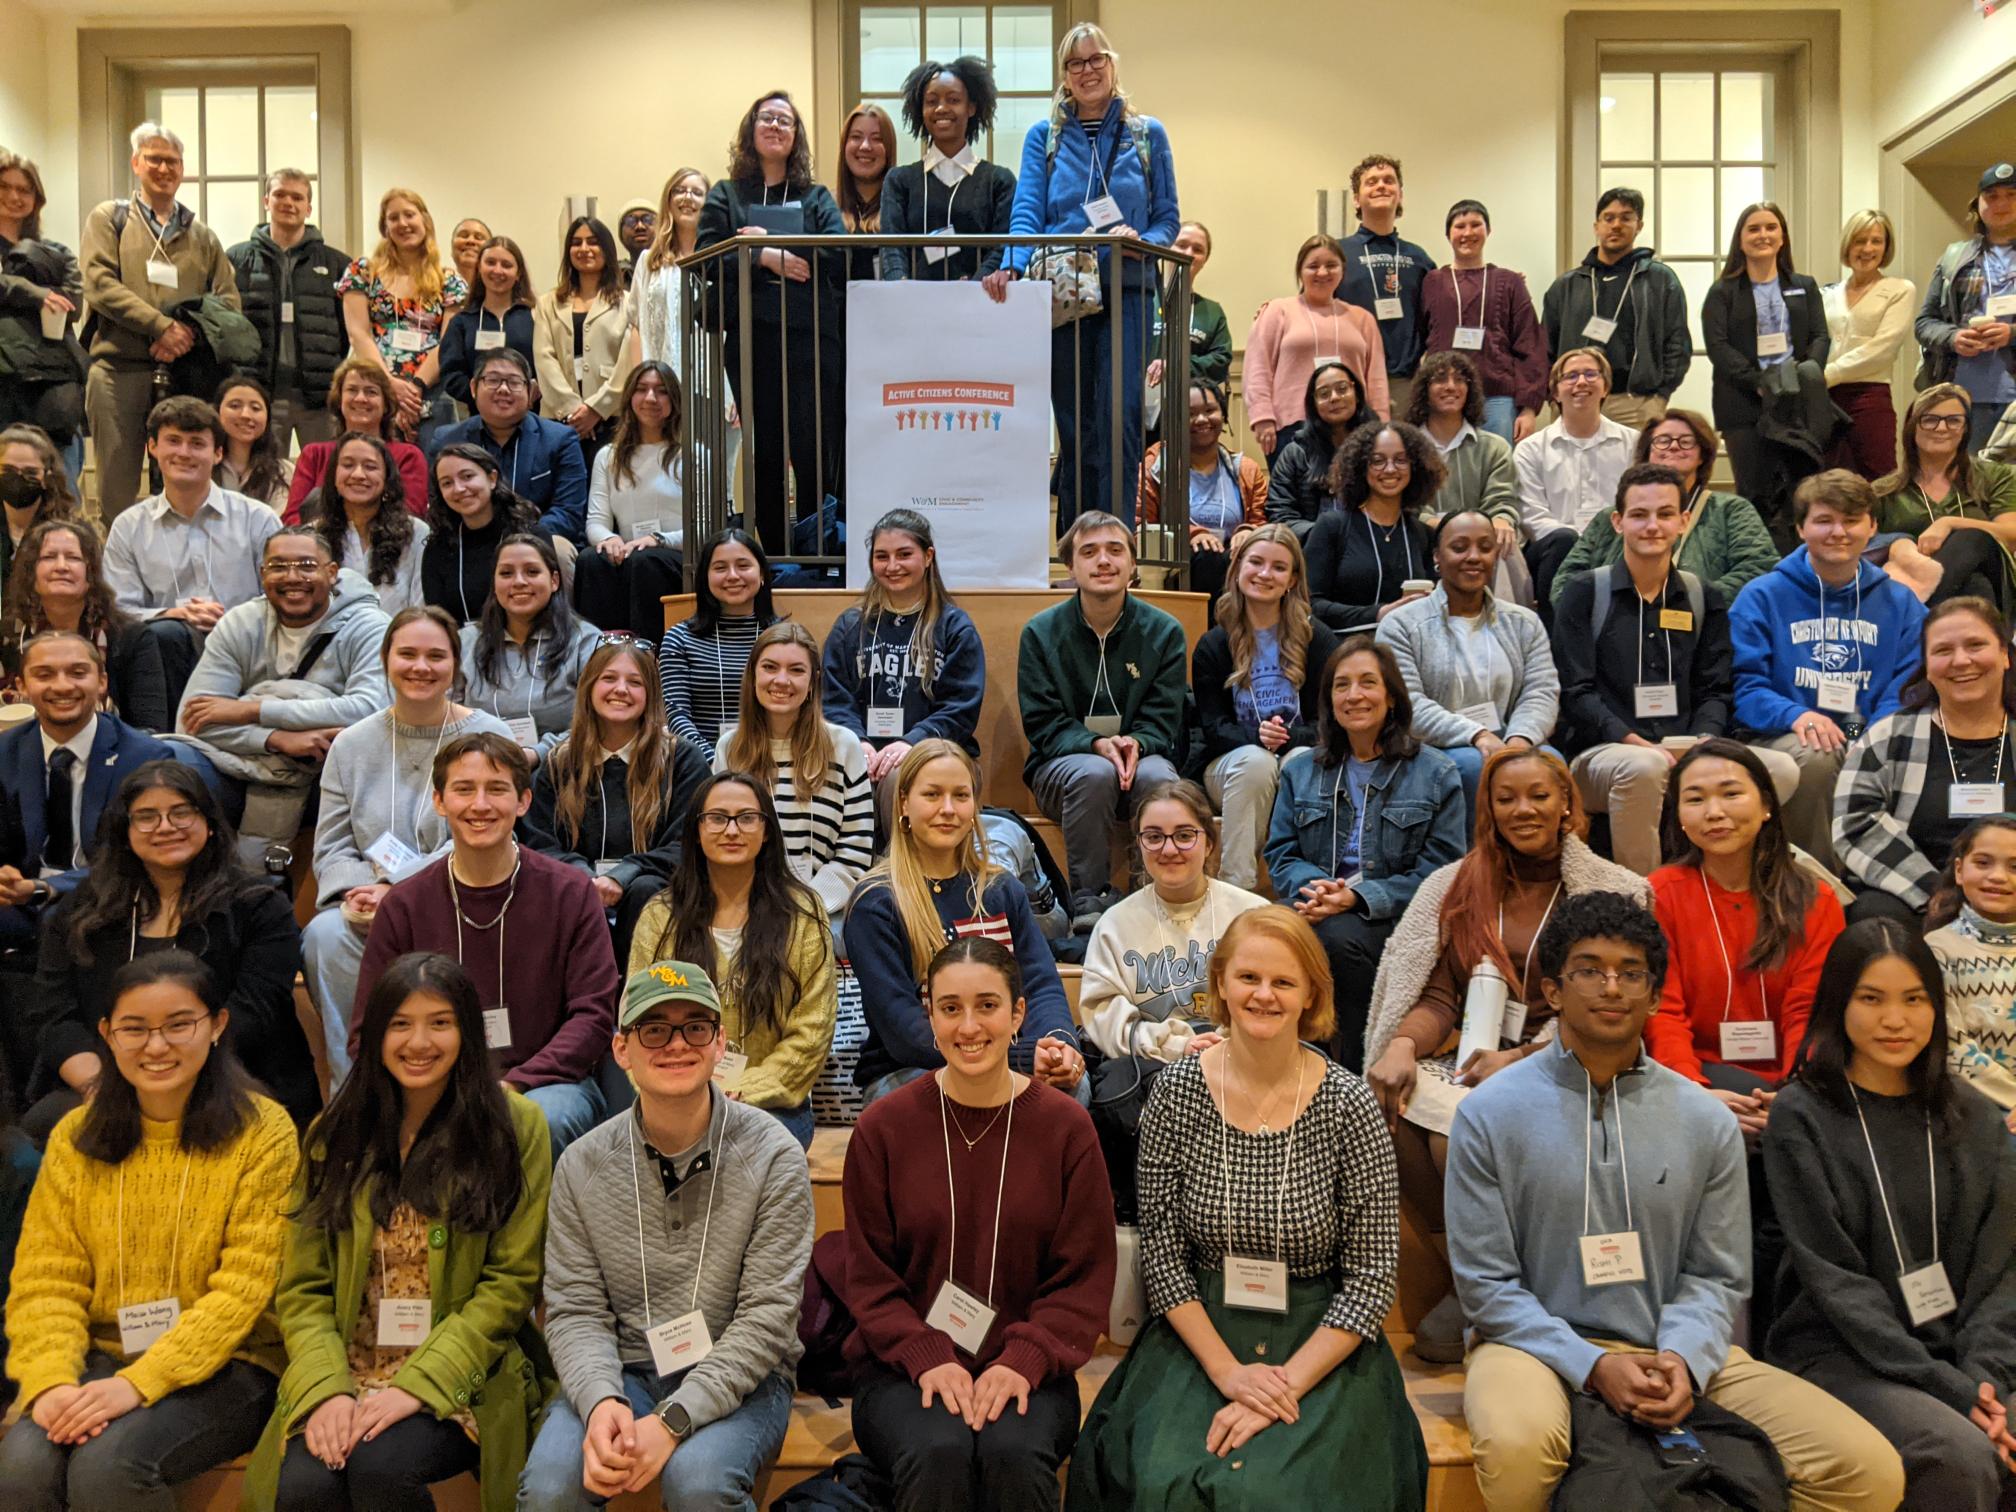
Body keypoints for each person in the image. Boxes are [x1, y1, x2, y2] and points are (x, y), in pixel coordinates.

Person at [1445, 891, 1907, 1512]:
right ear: (1553, 992)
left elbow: (1716, 1277)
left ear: (1655, 996)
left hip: (1673, 1347)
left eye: (1631, 973)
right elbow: (1487, 1288)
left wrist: (1682, 1362)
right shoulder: (1488, 1114)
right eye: (1590, 969)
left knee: (1866, 1469)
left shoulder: (1703, 1119)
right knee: (1521, 1447)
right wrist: (1591, 1364)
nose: (1612, 987)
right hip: (1530, 1346)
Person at [1071, 906, 1428, 1510]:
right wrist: (1229, 1375)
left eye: (1283, 982)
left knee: (1289, 1492)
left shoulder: (1349, 1104)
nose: (1263, 995)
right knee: (1162, 1482)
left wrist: (1285, 1384)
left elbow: (1371, 1277)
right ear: (1220, 984)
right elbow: (1161, 1255)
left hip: (1321, 1333)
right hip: (1201, 1327)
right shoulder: (1175, 1094)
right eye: (1248, 978)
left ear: (1311, 993)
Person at [1361, 748, 1644, 1359]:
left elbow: (1609, 1007)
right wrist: (1404, 1044)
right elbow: (1436, 991)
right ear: (1487, 807)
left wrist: (1518, 1063)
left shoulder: (1609, 890)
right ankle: (1477, 1278)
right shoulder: (1457, 884)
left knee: (1460, 1131)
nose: (1523, 809)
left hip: (1564, 1060)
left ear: (1567, 800)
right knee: (1389, 1107)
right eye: (1505, 797)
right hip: (1471, 1053)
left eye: (1539, 795)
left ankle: (1486, 1288)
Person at [246, 953, 552, 1512]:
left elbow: (511, 1284)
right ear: (375, 1033)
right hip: (349, 1365)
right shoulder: (333, 1133)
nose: (419, 1042)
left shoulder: (514, 1125)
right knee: (303, 1488)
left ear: (467, 1031)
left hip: (460, 1369)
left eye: (440, 1022)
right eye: (400, 1024)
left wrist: (420, 1383)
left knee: (381, 1465)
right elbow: (302, 1289)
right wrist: (326, 1388)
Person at [0, 951, 300, 1510]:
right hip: (100, 1354)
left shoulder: (265, 1133)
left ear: (217, 1026)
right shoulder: (75, 1135)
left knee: (108, 1467)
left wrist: (139, 1384)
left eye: (178, 1025)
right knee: (20, 1467)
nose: (156, 1046)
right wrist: (50, 1381)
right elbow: (46, 1280)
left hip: (232, 1363)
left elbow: (244, 1290)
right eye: (135, 1029)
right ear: (107, 1036)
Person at [517, 960, 812, 1512]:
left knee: (698, 1483)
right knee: (552, 1488)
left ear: (719, 1043)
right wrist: (601, 1400)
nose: (676, 1045)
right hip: (625, 1370)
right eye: (654, 1029)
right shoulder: (582, 1164)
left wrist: (674, 1420)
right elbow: (575, 1311)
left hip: (744, 1376)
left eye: (695, 1027)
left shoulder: (774, 1155)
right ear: (621, 1049)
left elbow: (768, 1318)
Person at [846, 936, 1116, 1512]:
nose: (969, 1027)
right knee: (939, 1448)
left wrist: (1026, 1360)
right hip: (901, 1367)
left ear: (1018, 1014)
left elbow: (1083, 1280)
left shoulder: (1067, 1129)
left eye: (987, 1005)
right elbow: (870, 1281)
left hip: (1032, 1365)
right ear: (931, 1016)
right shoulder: (883, 1128)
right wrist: (927, 1357)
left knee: (1011, 1451)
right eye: (950, 1008)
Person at [1767, 919, 2016, 1511]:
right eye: (1871, 999)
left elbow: (2003, 1271)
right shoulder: (1802, 1117)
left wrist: (1984, 1376)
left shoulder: (1978, 1118)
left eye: (1914, 999)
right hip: (1843, 1352)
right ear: (1838, 1005)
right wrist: (1955, 1390)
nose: (1895, 1020)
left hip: (1964, 1349)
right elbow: (1835, 1283)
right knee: (1958, 1452)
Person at [355, 731, 619, 1157]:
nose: (480, 805)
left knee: (540, 1118)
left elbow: (592, 1016)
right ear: (440, 802)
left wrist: (513, 1083)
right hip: (432, 1080)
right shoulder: (404, 904)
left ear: (523, 802)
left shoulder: (572, 893)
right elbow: (368, 1027)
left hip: (546, 1084)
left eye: (497, 789)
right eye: (464, 790)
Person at [26, 759, 317, 1137]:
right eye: (146, 816)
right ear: (125, 830)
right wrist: (102, 1084)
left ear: (209, 823)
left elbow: (255, 1013)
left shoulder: (259, 906)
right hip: (104, 1079)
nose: (165, 827)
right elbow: (52, 1012)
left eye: (182, 812)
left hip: (228, 1077)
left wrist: (161, 1074)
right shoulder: (82, 909)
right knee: (49, 1123)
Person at [303, 606, 510, 1083]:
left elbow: (485, 837)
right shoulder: (350, 745)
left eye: (436, 656)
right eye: (408, 654)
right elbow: (331, 845)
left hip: (461, 895)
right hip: (367, 907)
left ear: (455, 665)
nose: (421, 667)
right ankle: (351, 1087)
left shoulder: (488, 736)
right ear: (385, 659)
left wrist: (397, 888)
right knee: (323, 935)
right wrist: (360, 892)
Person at [992, 22, 1180, 528]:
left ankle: (1116, 540)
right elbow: (1028, 211)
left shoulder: (1147, 134)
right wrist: (1011, 265)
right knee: (1074, 427)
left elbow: (1167, 219)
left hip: (1130, 288)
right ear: (1065, 75)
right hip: (1065, 294)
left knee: (1119, 419)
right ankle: (1077, 544)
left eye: (1097, 59)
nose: (1088, 70)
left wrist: (1146, 242)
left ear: (1113, 65)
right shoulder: (1044, 136)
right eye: (1076, 63)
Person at [1553, 465, 1785, 874]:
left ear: (1684, 521)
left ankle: (1731, 878)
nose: (1652, 525)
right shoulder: (1585, 592)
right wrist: (1636, 742)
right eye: (1639, 515)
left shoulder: (1702, 596)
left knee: (1781, 769)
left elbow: (1716, 689)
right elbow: (1577, 693)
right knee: (1646, 767)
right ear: (1617, 521)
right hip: (1603, 753)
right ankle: (1642, 896)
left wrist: (1703, 742)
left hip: (1688, 746)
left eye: (1665, 514)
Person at [844, 740, 1086, 1105]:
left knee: (1071, 1088)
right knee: (958, 1099)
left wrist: (1057, 1046)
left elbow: (1040, 984)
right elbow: (904, 1030)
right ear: (904, 804)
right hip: (913, 1069)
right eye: (932, 795)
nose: (948, 809)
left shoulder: (1002, 888)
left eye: (961, 795)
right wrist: (1013, 1059)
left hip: (1007, 1058)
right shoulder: (876, 902)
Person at [1266, 636, 1467, 1069]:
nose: (1354, 695)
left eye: (1367, 683)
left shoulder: (1436, 773)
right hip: (1315, 905)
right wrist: (1319, 890)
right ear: (1329, 700)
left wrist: (1358, 898)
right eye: (1341, 685)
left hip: (1397, 917)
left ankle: (1351, 1072)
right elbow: (1280, 854)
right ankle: (1290, 1068)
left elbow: (1442, 873)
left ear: (1391, 697)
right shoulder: (1300, 770)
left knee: (1333, 940)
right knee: (1262, 934)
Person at [1732, 468, 1928, 873]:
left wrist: (1876, 731)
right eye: (1824, 520)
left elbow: (1910, 682)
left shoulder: (1900, 602)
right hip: (1785, 731)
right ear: (1801, 528)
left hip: (1865, 726)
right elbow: (1746, 686)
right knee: (1819, 754)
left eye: (1851, 520)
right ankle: (1819, 885)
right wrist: (1796, 714)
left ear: (1872, 527)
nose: (1838, 532)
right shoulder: (1761, 596)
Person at [630, 772, 836, 1147]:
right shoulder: (660, 917)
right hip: (676, 1098)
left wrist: (748, 1088)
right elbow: (638, 1019)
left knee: (742, 1152)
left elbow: (813, 1028)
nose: (731, 830)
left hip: (772, 1106)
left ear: (767, 829)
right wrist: (690, 1088)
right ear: (696, 830)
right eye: (717, 818)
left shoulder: (804, 913)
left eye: (746, 817)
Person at [1647, 737, 1844, 1115]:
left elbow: (1809, 1011)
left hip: (1792, 1083)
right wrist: (1694, 1093)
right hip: (1695, 1078)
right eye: (1695, 799)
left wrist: (1795, 1096)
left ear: (1767, 804)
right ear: (1679, 817)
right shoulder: (1661, 894)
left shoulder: (1816, 898)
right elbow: (1663, 1011)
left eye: (1731, 793)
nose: (1714, 812)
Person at [172, 527, 391, 858]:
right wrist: (276, 739)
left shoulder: (369, 626)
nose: (292, 577)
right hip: (241, 765)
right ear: (262, 574)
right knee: (171, 763)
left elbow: (369, 710)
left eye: (306, 565)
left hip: (330, 769)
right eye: (278, 566)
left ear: (331, 573)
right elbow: (193, 720)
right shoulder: (241, 623)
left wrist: (252, 710)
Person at [695, 90, 846, 549]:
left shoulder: (815, 196)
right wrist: (763, 257)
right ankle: (777, 552)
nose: (776, 127)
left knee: (811, 445)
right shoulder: (726, 194)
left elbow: (837, 255)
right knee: (765, 451)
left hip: (809, 340)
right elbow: (706, 258)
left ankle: (817, 547)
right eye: (767, 118)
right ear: (751, 129)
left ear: (796, 135)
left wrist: (777, 244)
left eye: (786, 121)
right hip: (750, 337)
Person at [1019, 511, 1187, 925]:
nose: (1104, 561)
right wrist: (1095, 744)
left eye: (1115, 550)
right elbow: (1043, 724)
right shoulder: (1039, 633)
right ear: (1072, 567)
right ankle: (1087, 903)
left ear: (1132, 565)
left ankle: (1158, 895)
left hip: (1141, 758)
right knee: (1094, 773)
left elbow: (1163, 720)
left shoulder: (1165, 632)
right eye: (1089, 552)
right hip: (1065, 770)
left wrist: (1136, 744)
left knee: (1161, 780)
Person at [79, 122, 240, 522]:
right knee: (116, 492)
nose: (164, 168)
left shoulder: (202, 236)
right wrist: (159, 326)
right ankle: (117, 581)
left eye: (172, 161)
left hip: (185, 376)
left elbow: (228, 302)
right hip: (119, 373)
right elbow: (99, 285)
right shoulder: (109, 219)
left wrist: (186, 334)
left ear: (182, 169)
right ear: (136, 163)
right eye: (154, 159)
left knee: (186, 486)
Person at [1835, 596, 2016, 930]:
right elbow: (1854, 823)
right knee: (1874, 920)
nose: (1961, 661)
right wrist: (1937, 894)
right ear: (1927, 666)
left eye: (1976, 645)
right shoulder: (1888, 737)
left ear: (2005, 654)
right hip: (1914, 893)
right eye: (1943, 651)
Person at [0, 631, 181, 952]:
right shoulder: (5, 752)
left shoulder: (145, 757)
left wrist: (45, 888)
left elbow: (140, 861)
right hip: (20, 900)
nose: (62, 685)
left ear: (102, 682)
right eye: (44, 675)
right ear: (22, 686)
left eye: (77, 672)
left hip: (110, 898)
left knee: (71, 925)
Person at [524, 638, 710, 949]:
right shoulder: (558, 762)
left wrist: (623, 875)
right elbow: (538, 842)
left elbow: (689, 841)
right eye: (608, 678)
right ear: (589, 688)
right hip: (578, 888)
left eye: (635, 682)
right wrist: (583, 876)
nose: (621, 689)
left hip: (654, 896)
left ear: (650, 693)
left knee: (647, 889)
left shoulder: (682, 760)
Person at [1375, 510, 1558, 818]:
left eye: (1485, 547)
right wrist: (1477, 735)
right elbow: (1408, 704)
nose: (1474, 556)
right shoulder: (1401, 625)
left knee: (1549, 763)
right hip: (1432, 749)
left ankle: (1540, 865)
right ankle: (1474, 866)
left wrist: (1518, 740)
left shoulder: (1525, 622)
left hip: (1510, 739)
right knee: (1474, 765)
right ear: (1437, 556)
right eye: (1459, 547)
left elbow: (1541, 691)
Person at [102, 396, 284, 705]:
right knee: (166, 635)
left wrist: (231, 621)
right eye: (173, 441)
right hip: (161, 658)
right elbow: (117, 610)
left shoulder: (258, 518)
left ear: (217, 454)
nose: (184, 453)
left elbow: (280, 596)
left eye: (197, 443)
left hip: (247, 649)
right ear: (152, 448)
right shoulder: (129, 526)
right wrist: (174, 615)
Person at [1079, 780, 1265, 1071]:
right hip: (1155, 1066)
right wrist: (1176, 1047)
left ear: (1209, 844)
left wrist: (1226, 1043)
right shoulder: (1113, 926)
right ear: (1139, 844)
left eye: (1184, 835)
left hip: (1247, 1059)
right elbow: (1104, 1015)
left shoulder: (1254, 915)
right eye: (1154, 837)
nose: (1168, 849)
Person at [1192, 526, 1338, 888]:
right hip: (1231, 763)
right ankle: (1235, 888)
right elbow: (1212, 728)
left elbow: (1331, 722)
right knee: (1256, 761)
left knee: (1301, 762)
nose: (1264, 574)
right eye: (1255, 562)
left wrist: (1285, 738)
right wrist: (1255, 736)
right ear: (1238, 568)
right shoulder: (1215, 643)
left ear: (1292, 579)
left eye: (1278, 567)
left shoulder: (1316, 637)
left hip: (1297, 752)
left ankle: (1307, 887)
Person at [821, 508, 986, 820]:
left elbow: (961, 709)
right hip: (863, 752)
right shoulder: (850, 626)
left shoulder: (954, 627)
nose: (892, 566)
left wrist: (912, 743)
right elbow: (834, 699)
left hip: (935, 753)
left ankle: (898, 870)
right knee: (845, 775)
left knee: (902, 780)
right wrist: (859, 743)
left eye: (904, 554)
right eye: (882, 556)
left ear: (927, 557)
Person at [1549, 407, 1780, 610]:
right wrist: (1611, 610)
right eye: (1663, 440)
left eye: (1686, 441)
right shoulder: (1610, 517)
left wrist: (1690, 601)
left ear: (1703, 454)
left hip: (1702, 630)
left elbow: (1759, 568)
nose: (1674, 447)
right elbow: (1565, 582)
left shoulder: (1731, 510)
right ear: (1647, 452)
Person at [716, 622, 873, 921]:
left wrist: (806, 907)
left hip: (823, 910)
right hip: (745, 907)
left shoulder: (844, 746)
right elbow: (720, 841)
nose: (782, 680)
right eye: (770, 667)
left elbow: (856, 849)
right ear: (753, 676)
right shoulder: (729, 749)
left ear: (813, 681)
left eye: (797, 670)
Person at [1702, 201, 1832, 547]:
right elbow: (1718, 347)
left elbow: (1820, 336)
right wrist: (1759, 383)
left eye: (1771, 227)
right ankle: (1757, 569)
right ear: (1740, 240)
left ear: (1782, 237)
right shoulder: (1723, 292)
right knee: (1755, 496)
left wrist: (1806, 376)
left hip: (1796, 405)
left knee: (1799, 493)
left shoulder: (1803, 285)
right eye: (1754, 229)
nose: (1763, 235)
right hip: (1744, 405)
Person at [1539, 188, 1691, 430]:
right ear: (1596, 226)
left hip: (1635, 403)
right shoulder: (1567, 285)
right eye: (1609, 218)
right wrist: (1554, 395)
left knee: (1638, 469)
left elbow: (1677, 341)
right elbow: (1544, 346)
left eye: (1626, 218)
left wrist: (1660, 394)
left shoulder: (1659, 279)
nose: (1616, 225)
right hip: (1575, 399)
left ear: (1639, 225)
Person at [1, 518, 170, 732]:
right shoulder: (8, 635)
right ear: (30, 573)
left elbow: (151, 730)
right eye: (49, 557)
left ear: (91, 574)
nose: (61, 567)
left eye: (73, 558)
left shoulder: (131, 637)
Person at [224, 168, 349, 451]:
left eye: (297, 197)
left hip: (319, 396)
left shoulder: (337, 263)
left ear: (309, 207)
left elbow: (348, 331)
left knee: (324, 479)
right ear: (266, 200)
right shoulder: (236, 258)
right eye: (280, 194)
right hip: (259, 394)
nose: (288, 203)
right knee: (261, 480)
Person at [336, 187, 467, 443]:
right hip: (374, 391)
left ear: (425, 221)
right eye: (393, 218)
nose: (403, 224)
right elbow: (358, 333)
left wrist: (415, 388)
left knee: (431, 471)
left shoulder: (449, 280)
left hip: (431, 392)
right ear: (384, 227)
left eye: (409, 215)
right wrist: (389, 384)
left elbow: (449, 341)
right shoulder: (363, 272)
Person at [1510, 348, 1637, 611]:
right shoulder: (1530, 449)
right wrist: (1581, 543)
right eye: (1571, 376)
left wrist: (1605, 542)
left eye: (1591, 374)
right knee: (1562, 540)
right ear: (1555, 392)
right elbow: (1530, 515)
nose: (1581, 382)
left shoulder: (1633, 444)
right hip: (1553, 552)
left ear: (1605, 388)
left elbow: (1637, 505)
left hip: (1617, 545)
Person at [1244, 234, 1392, 460]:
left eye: (1331, 265)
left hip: (1353, 428)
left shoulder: (1362, 318)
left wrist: (1380, 425)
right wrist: (1262, 417)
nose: (1322, 273)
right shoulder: (1278, 311)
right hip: (1292, 426)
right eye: (1313, 266)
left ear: (1342, 270)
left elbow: (1376, 378)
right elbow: (1257, 368)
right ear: (1300, 271)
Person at [1875, 382, 2016, 612]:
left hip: (1997, 580)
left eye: (1953, 420)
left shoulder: (1995, 475)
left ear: (1965, 429)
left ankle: (1917, 617)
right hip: (1917, 585)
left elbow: (2011, 535)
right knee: (1974, 586)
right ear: (1912, 427)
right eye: (1930, 419)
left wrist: (1949, 523)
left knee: (1972, 537)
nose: (1942, 428)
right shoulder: (1883, 491)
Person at [430, 347, 589, 549]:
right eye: (493, 380)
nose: (503, 389)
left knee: (560, 548)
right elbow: (440, 508)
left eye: (514, 382)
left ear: (531, 392)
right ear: (473, 387)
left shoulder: (560, 439)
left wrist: (513, 539)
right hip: (471, 544)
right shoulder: (448, 440)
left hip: (538, 544)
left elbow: (568, 513)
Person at [879, 57, 1017, 286]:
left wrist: (972, 289)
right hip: (912, 310)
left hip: (981, 307)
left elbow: (1001, 247)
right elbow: (892, 248)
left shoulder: (999, 181)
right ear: (920, 109)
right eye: (931, 101)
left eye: (953, 100)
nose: (941, 108)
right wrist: (901, 288)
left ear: (971, 107)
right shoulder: (899, 181)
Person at [459, 533, 599, 760]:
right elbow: (447, 718)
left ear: (554, 581)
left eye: (532, 572)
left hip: (561, 766)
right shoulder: (465, 642)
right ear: (494, 584)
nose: (519, 582)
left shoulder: (585, 641)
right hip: (479, 765)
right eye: (506, 573)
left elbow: (599, 723)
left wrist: (537, 754)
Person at [573, 361, 686, 638]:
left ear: (674, 400)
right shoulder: (607, 456)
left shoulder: (692, 454)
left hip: (674, 556)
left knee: (645, 561)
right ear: (629, 398)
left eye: (661, 391)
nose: (651, 398)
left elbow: (705, 529)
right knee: (590, 559)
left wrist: (659, 539)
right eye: (642, 389)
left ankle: (649, 654)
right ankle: (600, 652)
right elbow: (596, 522)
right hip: (629, 554)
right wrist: (608, 540)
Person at [1419, 199, 1546, 444]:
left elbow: (1530, 344)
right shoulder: (1432, 282)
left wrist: (1529, 409)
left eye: (1476, 225)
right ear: (1448, 234)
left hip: (1497, 399)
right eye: (1460, 226)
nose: (1468, 233)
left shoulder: (1509, 282)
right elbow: (1421, 335)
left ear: (1488, 231)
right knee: (1445, 474)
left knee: (1497, 471)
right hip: (1444, 396)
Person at [1914, 161, 2016, 452]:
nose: (2002, 203)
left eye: (2011, 195)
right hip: (1962, 398)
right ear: (1979, 204)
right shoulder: (1954, 258)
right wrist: (1953, 338)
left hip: (2013, 398)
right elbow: (1924, 323)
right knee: (1965, 487)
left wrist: (2011, 334)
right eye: (1992, 195)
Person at [1305, 421, 1443, 634]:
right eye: (1377, 461)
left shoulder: (1422, 534)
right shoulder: (1332, 527)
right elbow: (1309, 604)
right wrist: (1378, 614)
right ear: (1360, 467)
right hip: (1345, 652)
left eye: (1400, 460)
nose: (1390, 469)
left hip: (1409, 651)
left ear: (1416, 467)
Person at [1138, 378, 1266, 605]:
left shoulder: (1246, 469)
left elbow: (1262, 521)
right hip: (1176, 572)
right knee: (1207, 558)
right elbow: (1141, 526)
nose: (1201, 419)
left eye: (1210, 410)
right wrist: (1193, 534)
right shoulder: (1155, 467)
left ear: (1223, 414)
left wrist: (1248, 530)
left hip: (1236, 565)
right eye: (1190, 413)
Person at [658, 529, 779, 766]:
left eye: (743, 566)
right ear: (705, 578)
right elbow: (677, 716)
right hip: (698, 765)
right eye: (720, 568)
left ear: (762, 574)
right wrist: (716, 763)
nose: (732, 576)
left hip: (770, 763)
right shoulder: (678, 639)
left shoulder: (783, 638)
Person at [1926, 816, 2016, 1123]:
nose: (1998, 877)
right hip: (1974, 1110)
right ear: (1960, 871)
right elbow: (1952, 1048)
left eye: (2014, 867)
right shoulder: (1936, 951)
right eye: (1983, 862)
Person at [1338, 155, 1435, 418]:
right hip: (1352, 379)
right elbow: (1310, 306)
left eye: (1389, 181)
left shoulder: (1419, 258)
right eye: (1371, 182)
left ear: (1400, 195)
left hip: (1406, 382)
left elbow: (1443, 306)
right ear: (1357, 199)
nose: (1381, 186)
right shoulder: (1337, 253)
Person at [1824, 209, 1917, 479]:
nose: (1867, 249)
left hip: (1869, 397)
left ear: (1886, 247)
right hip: (1825, 399)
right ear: (1847, 245)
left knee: (1877, 477)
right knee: (1830, 479)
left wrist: (1828, 374)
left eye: (1876, 241)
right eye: (1859, 240)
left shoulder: (1900, 289)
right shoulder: (1827, 294)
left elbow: (1883, 348)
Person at [0, 152, 83, 453]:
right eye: (4, 186)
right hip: (4, 384)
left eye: (24, 190)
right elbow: (50, 298)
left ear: (37, 198)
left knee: (60, 483)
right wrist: (36, 294)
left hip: (52, 380)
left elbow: (72, 304)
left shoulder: (56, 251)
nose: (14, 196)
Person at [533, 216, 630, 463]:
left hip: (611, 419)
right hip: (559, 420)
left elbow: (629, 362)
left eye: (593, 242)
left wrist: (596, 409)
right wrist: (573, 412)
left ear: (607, 250)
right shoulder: (548, 303)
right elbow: (544, 358)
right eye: (576, 243)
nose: (584, 249)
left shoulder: (628, 302)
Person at [284, 356, 430, 521]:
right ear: (339, 400)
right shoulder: (314, 455)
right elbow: (293, 518)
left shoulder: (408, 456)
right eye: (352, 390)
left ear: (386, 404)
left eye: (371, 392)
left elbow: (409, 519)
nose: (361, 398)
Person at [418, 442, 546, 627]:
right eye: (447, 483)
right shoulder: (438, 547)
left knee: (598, 641)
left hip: (531, 642)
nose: (459, 488)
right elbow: (438, 620)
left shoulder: (531, 535)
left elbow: (550, 607)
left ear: (492, 479)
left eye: (467, 476)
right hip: (463, 648)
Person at [302, 432, 428, 614]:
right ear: (333, 476)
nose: (358, 474)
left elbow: (421, 608)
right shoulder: (311, 536)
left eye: (370, 467)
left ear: (386, 479)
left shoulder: (416, 533)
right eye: (347, 465)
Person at [1263, 360, 1375, 539]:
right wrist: (1325, 534)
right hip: (1313, 548)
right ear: (1313, 403)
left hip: (1370, 544)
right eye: (1324, 394)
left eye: (1342, 388)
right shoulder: (1296, 452)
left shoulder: (1378, 447)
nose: (1334, 398)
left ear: (1357, 393)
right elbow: (1280, 514)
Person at [1405, 351, 1517, 527]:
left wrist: (1500, 520)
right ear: (1424, 389)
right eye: (1440, 380)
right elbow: (1408, 504)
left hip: (1482, 541)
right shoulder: (1405, 448)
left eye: (1459, 380)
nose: (1450, 387)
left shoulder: (1495, 448)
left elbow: (1502, 501)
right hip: (1421, 539)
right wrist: (1438, 525)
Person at [435, 234, 537, 412]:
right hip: (478, 419)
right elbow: (451, 374)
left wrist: (527, 392)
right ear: (479, 269)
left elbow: (547, 366)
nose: (498, 271)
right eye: (490, 263)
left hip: (530, 417)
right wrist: (484, 397)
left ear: (518, 273)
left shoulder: (536, 317)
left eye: (506, 265)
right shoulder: (461, 322)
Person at [627, 169, 708, 375]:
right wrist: (640, 381)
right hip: (660, 383)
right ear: (668, 201)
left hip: (709, 383)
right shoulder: (648, 261)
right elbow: (636, 325)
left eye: (697, 193)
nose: (688, 197)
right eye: (680, 190)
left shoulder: (717, 260)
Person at [1144, 220, 1231, 391]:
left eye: (1198, 249)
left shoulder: (1212, 312)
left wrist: (1178, 366)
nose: (1188, 253)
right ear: (1166, 248)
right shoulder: (1143, 300)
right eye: (1181, 245)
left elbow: (1221, 361)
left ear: (1204, 260)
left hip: (1190, 406)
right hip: (1140, 401)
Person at [0, 422, 78, 596]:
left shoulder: (70, 535)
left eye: (30, 472)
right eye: (8, 470)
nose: (18, 478)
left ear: (47, 477)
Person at [213, 374, 293, 510]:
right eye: (234, 406)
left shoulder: (284, 472)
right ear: (217, 412)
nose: (245, 414)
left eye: (255, 408)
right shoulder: (202, 464)